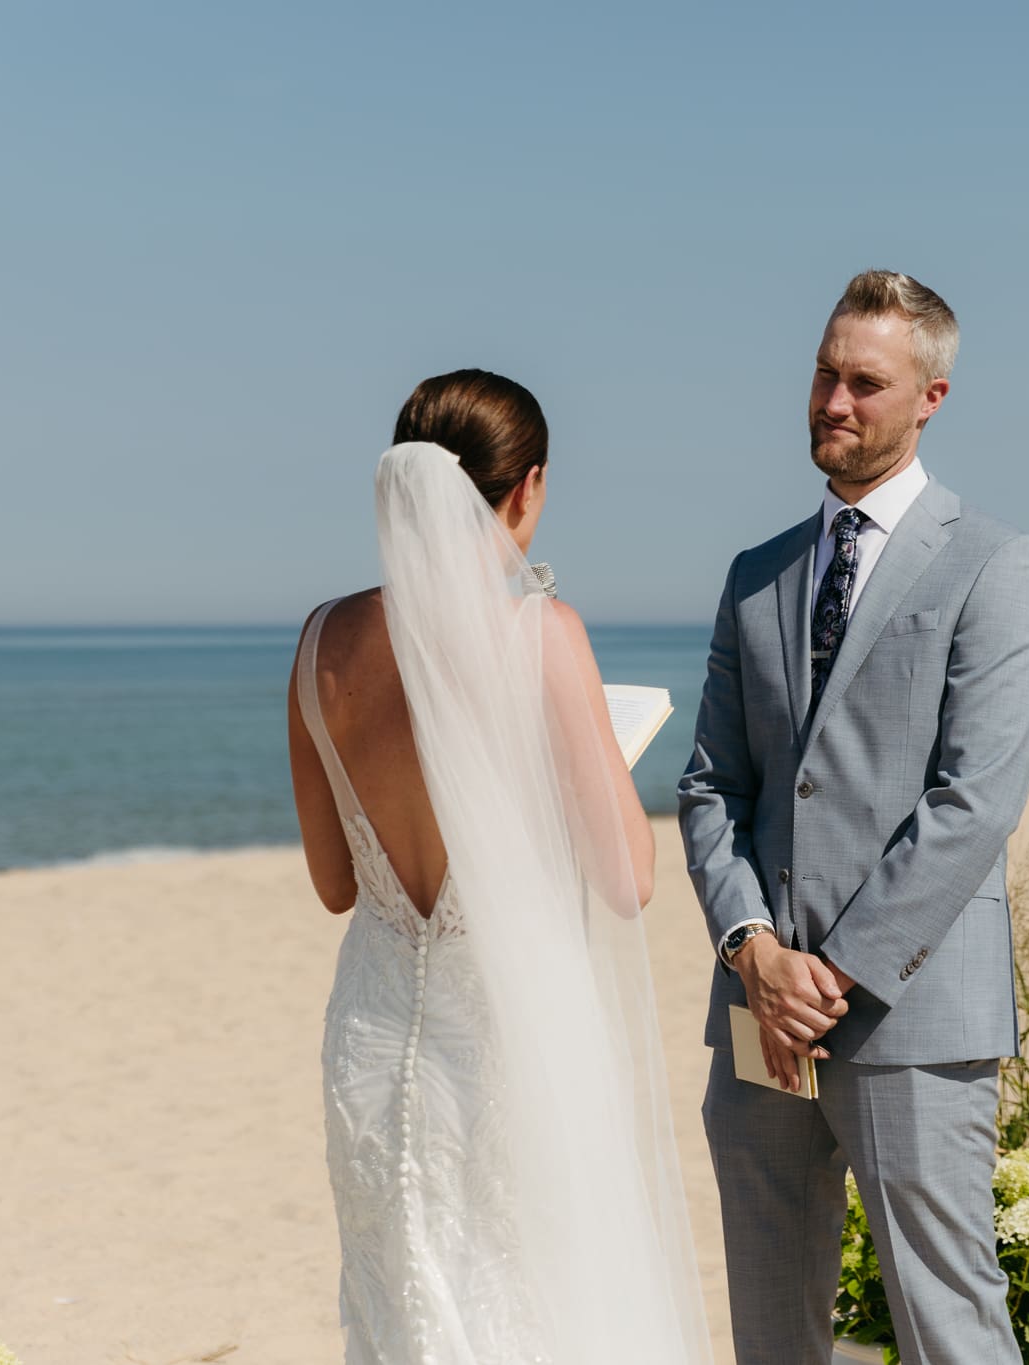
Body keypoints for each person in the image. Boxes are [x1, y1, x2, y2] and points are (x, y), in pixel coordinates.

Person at [289, 369, 711, 1365]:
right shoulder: (539, 632)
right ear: (525, 488)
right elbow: (626, 877)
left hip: (372, 1033)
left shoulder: (321, 642)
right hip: (507, 1033)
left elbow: (334, 884)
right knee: (533, 1301)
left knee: (405, 1301)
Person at [679, 271, 1029, 1365]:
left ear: (929, 396)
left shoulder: (996, 563)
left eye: (864, 382)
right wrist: (752, 951)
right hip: (760, 1016)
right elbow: (714, 783)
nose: (832, 401)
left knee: (947, 1324)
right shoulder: (756, 577)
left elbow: (975, 798)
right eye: (822, 373)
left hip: (911, 1014)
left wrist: (829, 974)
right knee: (770, 1326)